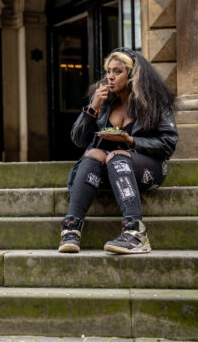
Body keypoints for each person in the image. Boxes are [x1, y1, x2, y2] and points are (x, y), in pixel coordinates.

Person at [59, 47, 178, 254]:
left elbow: (168, 144)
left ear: (132, 75)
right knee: (92, 154)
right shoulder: (105, 104)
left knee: (116, 156)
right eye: (108, 71)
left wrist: (130, 140)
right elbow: (78, 140)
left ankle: (135, 232)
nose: (110, 77)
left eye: (117, 71)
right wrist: (92, 107)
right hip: (107, 170)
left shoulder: (155, 103)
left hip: (147, 168)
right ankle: (71, 227)